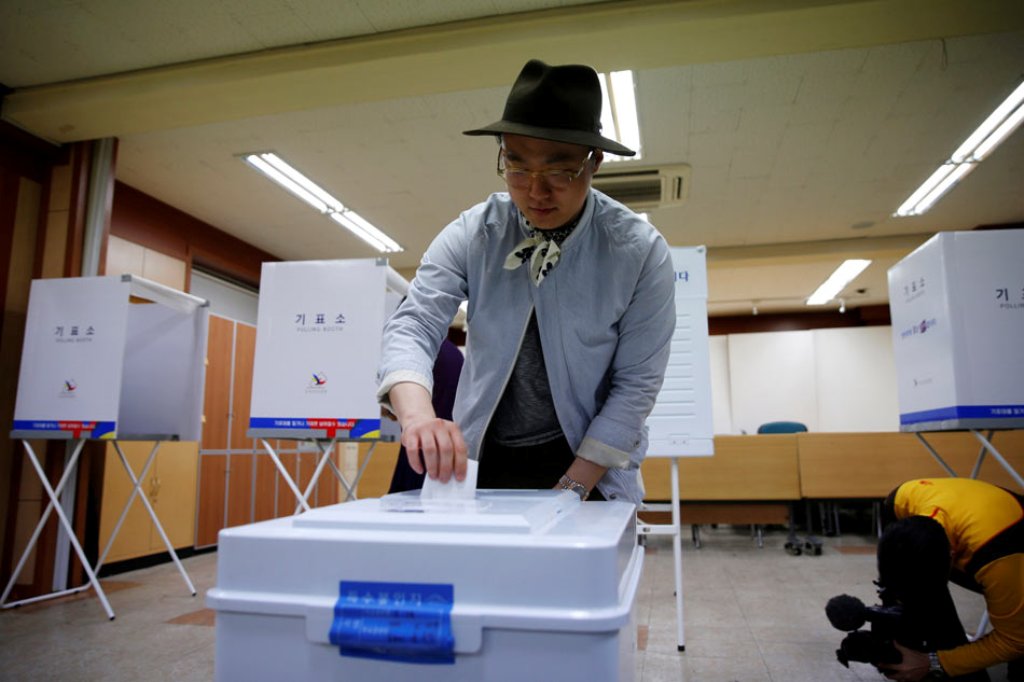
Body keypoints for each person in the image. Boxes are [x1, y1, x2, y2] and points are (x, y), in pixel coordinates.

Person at [376, 58, 676, 504]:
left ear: (594, 161)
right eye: (517, 167)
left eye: (559, 170)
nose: (536, 191)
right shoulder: (476, 232)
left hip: (586, 459)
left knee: (579, 572)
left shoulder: (638, 251)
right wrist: (418, 415)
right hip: (484, 455)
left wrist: (574, 488)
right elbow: (413, 325)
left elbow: (635, 385)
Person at [876, 478, 1024, 681]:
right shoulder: (899, 503)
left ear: (952, 558)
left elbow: (1015, 640)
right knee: (920, 602)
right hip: (974, 522)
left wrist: (934, 662)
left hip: (1007, 539)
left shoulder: (999, 561)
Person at [387, 337, 463, 493]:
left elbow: (393, 410)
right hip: (451, 443)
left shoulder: (412, 351)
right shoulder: (453, 352)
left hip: (422, 445)